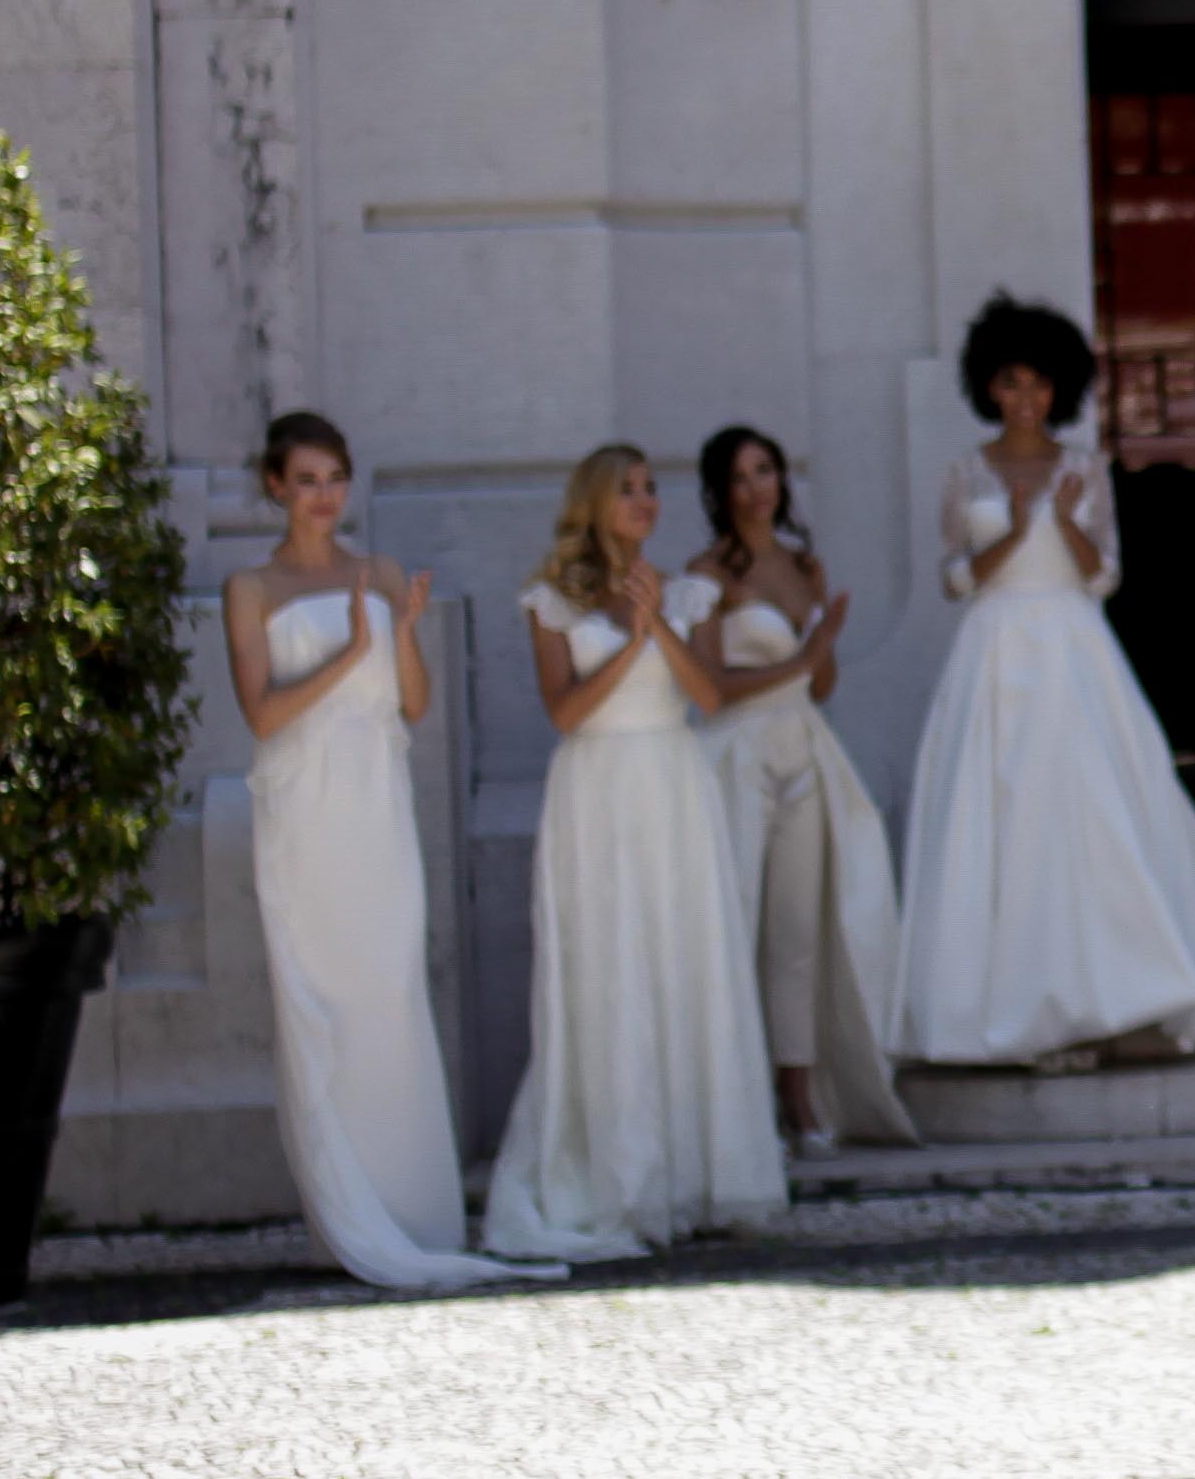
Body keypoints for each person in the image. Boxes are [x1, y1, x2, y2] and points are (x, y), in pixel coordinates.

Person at [221, 413, 532, 1291]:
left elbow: (415, 705)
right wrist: (350, 648)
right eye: (307, 479)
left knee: (391, 990)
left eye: (336, 478)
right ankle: (345, 1217)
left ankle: (412, 1212)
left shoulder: (382, 572)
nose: (324, 496)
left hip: (375, 800)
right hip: (304, 806)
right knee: (323, 996)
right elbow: (264, 714)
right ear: (276, 486)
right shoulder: (252, 586)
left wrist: (396, 635)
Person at [897, 296, 1195, 1065]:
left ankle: (1123, 991)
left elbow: (1105, 576)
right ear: (989, 385)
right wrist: (1018, 528)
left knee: (1096, 813)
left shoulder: (1084, 469)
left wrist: (1068, 521)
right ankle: (1009, 1008)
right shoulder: (965, 470)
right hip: (994, 653)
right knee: (1003, 822)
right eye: (1013, 382)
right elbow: (956, 579)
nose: (1026, 398)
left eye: (1041, 384)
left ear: (1062, 390)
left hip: (1075, 653)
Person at [482, 445, 788, 1262]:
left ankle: (697, 1173)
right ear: (595, 502)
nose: (646, 501)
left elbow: (710, 694)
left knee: (682, 960)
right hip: (597, 789)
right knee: (608, 964)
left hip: (672, 783)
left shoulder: (689, 591)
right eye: (629, 490)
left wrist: (660, 624)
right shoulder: (552, 599)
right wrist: (628, 642)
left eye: (653, 489)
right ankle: (616, 1172)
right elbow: (564, 711)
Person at [678, 425, 912, 1150]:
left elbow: (823, 682)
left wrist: (821, 651)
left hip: (803, 748)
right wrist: (804, 655)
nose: (757, 488)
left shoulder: (806, 566)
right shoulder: (709, 572)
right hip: (737, 753)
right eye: (741, 476)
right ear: (719, 493)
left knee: (797, 931)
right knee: (736, 921)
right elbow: (711, 689)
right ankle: (733, 1100)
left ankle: (801, 1101)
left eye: (767, 471)